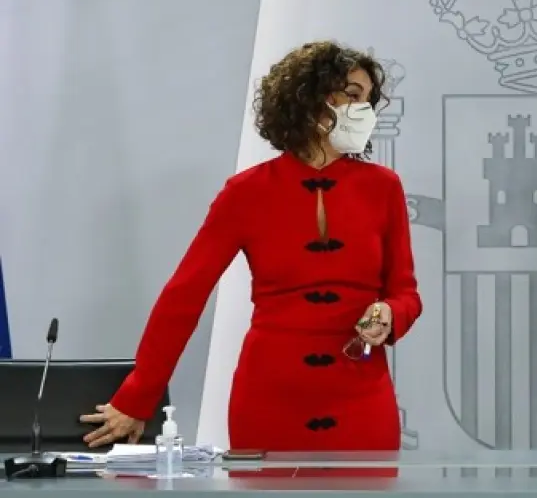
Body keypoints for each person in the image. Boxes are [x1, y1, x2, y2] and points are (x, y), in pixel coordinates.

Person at [80, 41, 423, 453]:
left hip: (361, 398)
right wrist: (137, 396)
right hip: (270, 398)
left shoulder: (384, 188)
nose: (363, 109)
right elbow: (184, 297)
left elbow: (405, 292)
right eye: (352, 95)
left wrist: (390, 313)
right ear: (311, 98)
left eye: (367, 99)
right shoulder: (246, 192)